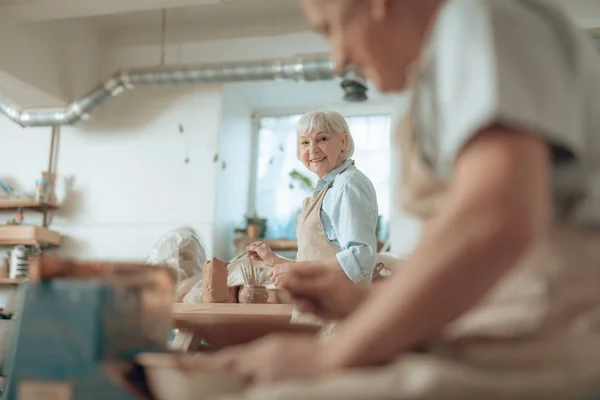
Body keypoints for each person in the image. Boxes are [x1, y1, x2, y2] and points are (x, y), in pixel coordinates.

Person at [212, 0, 600, 399]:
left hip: (540, 336)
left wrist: (326, 358)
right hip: (490, 323)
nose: (338, 58)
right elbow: (466, 243)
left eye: (332, 28)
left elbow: (495, 219)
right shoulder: (444, 67)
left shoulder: (479, 18)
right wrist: (367, 303)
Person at [247, 110, 379, 303]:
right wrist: (274, 261)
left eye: (322, 139)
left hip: (341, 312)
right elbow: (319, 261)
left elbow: (360, 259)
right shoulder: (331, 187)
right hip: (323, 309)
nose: (313, 149)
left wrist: (294, 269)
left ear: (343, 142)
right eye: (305, 142)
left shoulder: (347, 185)